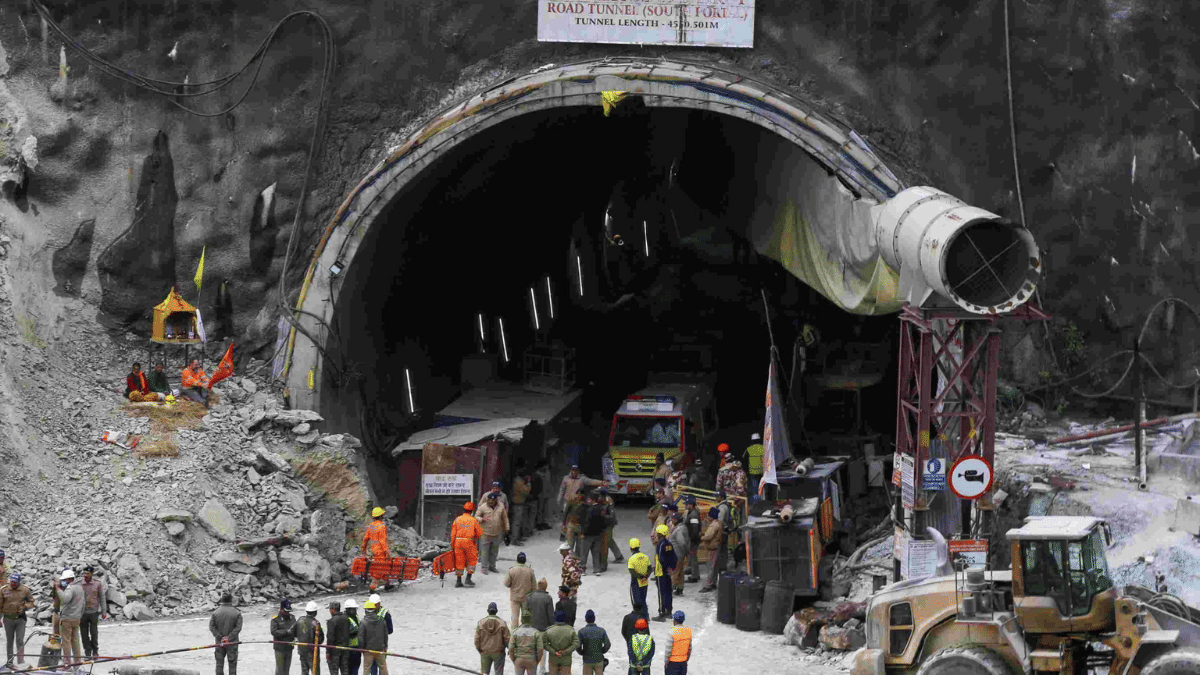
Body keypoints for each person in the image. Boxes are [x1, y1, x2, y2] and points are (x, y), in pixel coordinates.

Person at [558, 466, 606, 539]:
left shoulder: (582, 478)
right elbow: (562, 488)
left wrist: (601, 482)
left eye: (576, 470)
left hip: (577, 501)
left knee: (578, 517)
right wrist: (559, 498)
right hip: (567, 501)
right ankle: (563, 533)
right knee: (565, 517)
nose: (574, 472)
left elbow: (591, 481)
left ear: (578, 471)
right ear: (571, 470)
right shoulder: (566, 478)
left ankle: (577, 532)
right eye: (573, 470)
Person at [52, 569, 84, 667]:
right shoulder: (80, 588)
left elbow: (65, 599)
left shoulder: (70, 588)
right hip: (76, 618)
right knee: (76, 641)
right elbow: (83, 604)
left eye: (65, 580)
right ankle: (77, 663)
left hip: (67, 619)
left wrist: (57, 589)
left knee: (66, 641)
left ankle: (67, 664)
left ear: (69, 579)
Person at [1, 572, 34, 668]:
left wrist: (25, 607)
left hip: (20, 620)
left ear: (19, 581)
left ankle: (20, 661)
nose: (13, 584)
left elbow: (31, 602)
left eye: (15, 582)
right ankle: (10, 662)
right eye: (12, 582)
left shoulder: (25, 590)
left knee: (20, 640)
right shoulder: (3, 590)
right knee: (9, 641)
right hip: (8, 619)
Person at [76, 565, 108, 659]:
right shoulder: (78, 584)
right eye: (84, 573)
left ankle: (95, 652)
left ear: (92, 574)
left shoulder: (97, 584)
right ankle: (88, 653)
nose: (85, 575)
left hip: (94, 613)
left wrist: (104, 611)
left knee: (94, 633)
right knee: (84, 634)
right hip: (82, 614)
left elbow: (102, 597)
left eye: (87, 573)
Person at [477, 491, 511, 575]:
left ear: (496, 500)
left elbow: (504, 518)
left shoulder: (501, 507)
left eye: (492, 501)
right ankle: (484, 567)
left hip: (497, 533)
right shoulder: (482, 507)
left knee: (494, 551)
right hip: (485, 533)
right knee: (484, 551)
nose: (491, 502)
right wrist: (482, 519)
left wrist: (507, 528)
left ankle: (492, 566)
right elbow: (476, 516)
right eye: (489, 500)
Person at [452, 501, 484, 588]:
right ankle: (468, 579)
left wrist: (452, 545)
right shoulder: (474, 521)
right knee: (472, 560)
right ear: (472, 511)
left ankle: (458, 581)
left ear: (463, 510)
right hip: (469, 542)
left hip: (458, 542)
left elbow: (453, 534)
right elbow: (479, 534)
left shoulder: (457, 519)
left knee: (459, 561)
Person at [210, 592, 243, 675]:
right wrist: (229, 638)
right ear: (231, 600)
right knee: (232, 665)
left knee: (219, 664)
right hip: (232, 643)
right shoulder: (237, 613)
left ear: (221, 600)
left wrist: (220, 637)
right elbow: (238, 628)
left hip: (219, 643)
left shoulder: (215, 612)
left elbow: (212, 627)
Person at [526, 580, 554, 675]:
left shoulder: (530, 597)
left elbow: (526, 612)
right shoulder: (548, 598)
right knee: (543, 651)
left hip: (532, 628)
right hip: (543, 628)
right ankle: (542, 670)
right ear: (545, 587)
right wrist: (552, 625)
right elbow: (550, 615)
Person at [476, 602, 511, 675]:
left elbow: (477, 638)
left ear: (488, 611)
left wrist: (479, 649)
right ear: (496, 611)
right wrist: (510, 649)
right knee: (499, 673)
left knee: (484, 673)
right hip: (499, 653)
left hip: (485, 652)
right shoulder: (503, 623)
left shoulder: (480, 623)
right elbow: (507, 638)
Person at [503, 552, 536, 630]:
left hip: (515, 597)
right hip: (526, 598)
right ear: (525, 561)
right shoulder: (530, 571)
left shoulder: (511, 570)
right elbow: (534, 586)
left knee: (514, 617)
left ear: (517, 560)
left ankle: (514, 635)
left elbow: (506, 583)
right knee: (526, 617)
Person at [543, 610, 581, 675]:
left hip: (553, 659)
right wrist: (566, 651)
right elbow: (577, 643)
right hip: (566, 659)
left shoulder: (549, 630)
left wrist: (553, 651)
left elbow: (544, 644)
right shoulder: (570, 630)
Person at [652, 524, 676, 621]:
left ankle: (662, 613)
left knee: (662, 592)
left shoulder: (660, 545)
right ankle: (669, 611)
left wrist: (665, 569)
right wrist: (671, 569)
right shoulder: (669, 544)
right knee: (668, 591)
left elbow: (662, 559)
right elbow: (674, 557)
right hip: (667, 572)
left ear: (660, 534)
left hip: (661, 572)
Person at [578, 492, 606, 576]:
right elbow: (603, 521)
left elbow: (587, 522)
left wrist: (582, 532)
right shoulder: (601, 509)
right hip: (598, 534)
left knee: (584, 552)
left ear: (592, 500)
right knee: (596, 552)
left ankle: (582, 569)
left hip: (588, 534)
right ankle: (597, 569)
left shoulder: (589, 510)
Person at [698, 507, 726, 593]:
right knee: (714, 567)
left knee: (711, 567)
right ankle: (713, 583)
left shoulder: (714, 525)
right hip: (715, 547)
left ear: (712, 516)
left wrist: (701, 538)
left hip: (712, 548)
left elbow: (709, 536)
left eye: (709, 515)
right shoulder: (717, 523)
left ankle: (708, 585)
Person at [509, 607, 543, 675]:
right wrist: (537, 661)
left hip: (519, 659)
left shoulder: (515, 632)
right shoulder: (536, 633)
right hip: (531, 659)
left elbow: (511, 649)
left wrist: (514, 660)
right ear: (531, 620)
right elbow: (540, 650)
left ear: (521, 620)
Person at [359, 600, 389, 675]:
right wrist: (385, 646)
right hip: (380, 649)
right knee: (383, 667)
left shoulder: (363, 622)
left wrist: (362, 649)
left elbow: (361, 638)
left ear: (365, 610)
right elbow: (385, 635)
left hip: (368, 650)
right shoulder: (381, 620)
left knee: (366, 669)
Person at [576, 609, 611, 675]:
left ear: (586, 619)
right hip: (599, 659)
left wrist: (582, 652)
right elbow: (607, 645)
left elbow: (578, 646)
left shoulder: (581, 632)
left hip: (587, 660)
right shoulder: (601, 631)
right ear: (594, 619)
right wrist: (601, 651)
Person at [366, 594, 392, 675]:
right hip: (375, 645)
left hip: (379, 644)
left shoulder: (384, 613)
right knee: (377, 667)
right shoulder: (369, 611)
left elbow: (390, 630)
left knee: (379, 667)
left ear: (379, 604)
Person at [296, 601, 325, 675]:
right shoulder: (316, 623)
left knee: (304, 671)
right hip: (312, 652)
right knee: (315, 672)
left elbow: (292, 632)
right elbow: (321, 639)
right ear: (315, 612)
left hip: (302, 650)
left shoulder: (300, 620)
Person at [270, 599, 298, 675]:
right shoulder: (275, 619)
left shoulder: (292, 618)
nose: (287, 613)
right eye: (286, 611)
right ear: (281, 609)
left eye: (288, 611)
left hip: (289, 647)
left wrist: (296, 637)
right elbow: (274, 632)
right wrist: (286, 631)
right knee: (280, 670)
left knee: (286, 669)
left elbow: (296, 629)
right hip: (280, 648)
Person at [598, 488, 624, 572]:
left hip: (609, 523)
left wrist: (602, 516)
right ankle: (619, 556)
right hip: (605, 522)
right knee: (609, 539)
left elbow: (611, 515)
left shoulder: (608, 500)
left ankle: (618, 556)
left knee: (608, 539)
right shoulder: (601, 499)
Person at [666, 515, 690, 596]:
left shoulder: (678, 530)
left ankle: (669, 591)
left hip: (676, 555)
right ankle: (679, 589)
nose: (671, 520)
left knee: (674, 573)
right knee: (679, 572)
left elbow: (682, 543)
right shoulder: (683, 527)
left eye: (673, 518)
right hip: (679, 554)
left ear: (676, 520)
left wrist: (684, 552)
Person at [325, 601, 350, 675]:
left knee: (334, 671)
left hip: (335, 651)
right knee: (345, 671)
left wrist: (328, 652)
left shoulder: (332, 621)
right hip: (345, 649)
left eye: (330, 609)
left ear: (333, 609)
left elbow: (330, 638)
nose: (329, 611)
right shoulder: (346, 618)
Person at [626, 538, 651, 613]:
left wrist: (640, 577)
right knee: (643, 599)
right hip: (645, 581)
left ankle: (639, 616)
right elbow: (649, 568)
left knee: (637, 600)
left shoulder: (631, 559)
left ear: (631, 548)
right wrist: (645, 576)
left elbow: (632, 571)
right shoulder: (645, 556)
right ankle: (646, 615)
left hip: (636, 581)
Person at [682, 497, 702, 583]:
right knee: (692, 557)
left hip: (693, 540)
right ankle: (693, 572)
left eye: (686, 504)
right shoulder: (692, 512)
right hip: (692, 539)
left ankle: (695, 576)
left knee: (693, 558)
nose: (685, 506)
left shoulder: (693, 514)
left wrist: (692, 540)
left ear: (691, 505)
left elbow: (695, 528)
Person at [512, 471, 533, 546]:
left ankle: (518, 537)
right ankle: (514, 539)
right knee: (517, 523)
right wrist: (528, 483)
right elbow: (526, 491)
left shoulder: (517, 480)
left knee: (519, 522)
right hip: (518, 503)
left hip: (518, 503)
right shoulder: (519, 482)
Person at [533, 461, 553, 531]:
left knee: (545, 509)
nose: (546, 467)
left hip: (546, 493)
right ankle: (539, 523)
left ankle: (544, 522)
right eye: (545, 466)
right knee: (540, 509)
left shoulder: (548, 473)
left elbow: (549, 483)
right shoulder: (538, 474)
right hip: (540, 493)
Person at [343, 599, 361, 675]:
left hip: (357, 647)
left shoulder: (355, 617)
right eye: (354, 609)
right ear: (348, 609)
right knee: (349, 669)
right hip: (349, 648)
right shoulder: (345, 619)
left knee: (355, 668)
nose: (356, 610)